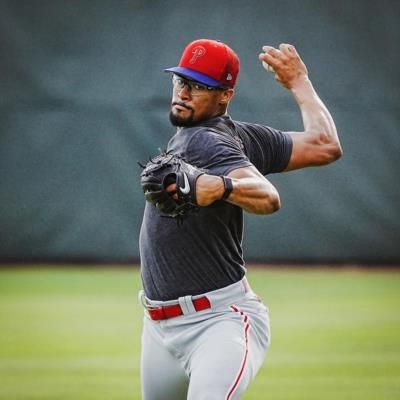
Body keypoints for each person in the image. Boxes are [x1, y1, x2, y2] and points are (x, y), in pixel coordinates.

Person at [138, 39, 342, 400]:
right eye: (180, 80)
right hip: (159, 328)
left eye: (198, 86)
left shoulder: (209, 143)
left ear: (225, 95)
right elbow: (324, 144)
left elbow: (268, 197)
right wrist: (299, 83)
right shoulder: (238, 137)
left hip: (218, 324)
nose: (183, 92)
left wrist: (218, 186)